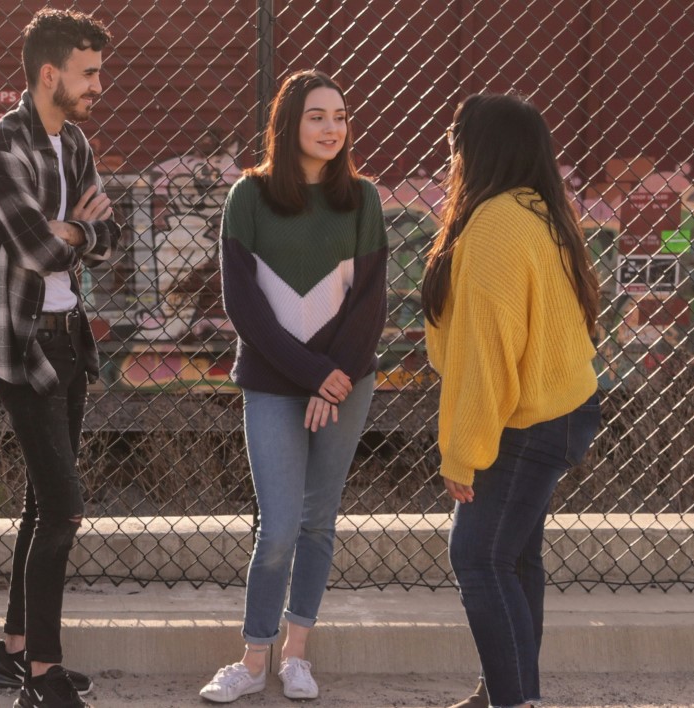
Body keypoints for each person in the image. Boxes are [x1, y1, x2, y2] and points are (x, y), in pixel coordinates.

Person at [198, 70, 388, 704]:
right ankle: (254, 660)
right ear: (288, 125)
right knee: (277, 527)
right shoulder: (247, 198)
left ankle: (297, 656)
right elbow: (243, 307)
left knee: (316, 523)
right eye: (316, 116)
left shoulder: (363, 198)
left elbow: (369, 305)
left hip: (346, 382)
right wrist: (313, 376)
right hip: (276, 386)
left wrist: (332, 383)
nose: (332, 127)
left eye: (339, 116)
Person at [0, 8, 122, 708]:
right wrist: (79, 229)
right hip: (19, 341)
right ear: (49, 73)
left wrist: (75, 228)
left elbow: (105, 238)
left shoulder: (74, 141)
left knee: (40, 504)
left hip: (68, 336)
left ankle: (16, 654)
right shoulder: (3, 145)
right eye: (88, 73)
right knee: (64, 508)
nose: (98, 86)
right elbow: (36, 249)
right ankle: (44, 678)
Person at [421, 94, 605, 708]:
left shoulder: (498, 221)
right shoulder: (539, 210)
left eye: (456, 138)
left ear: (482, 149)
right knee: (515, 556)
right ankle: (510, 691)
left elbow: (487, 352)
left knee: (477, 558)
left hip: (528, 421)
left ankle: (512, 700)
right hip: (562, 407)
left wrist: (462, 452)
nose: (450, 150)